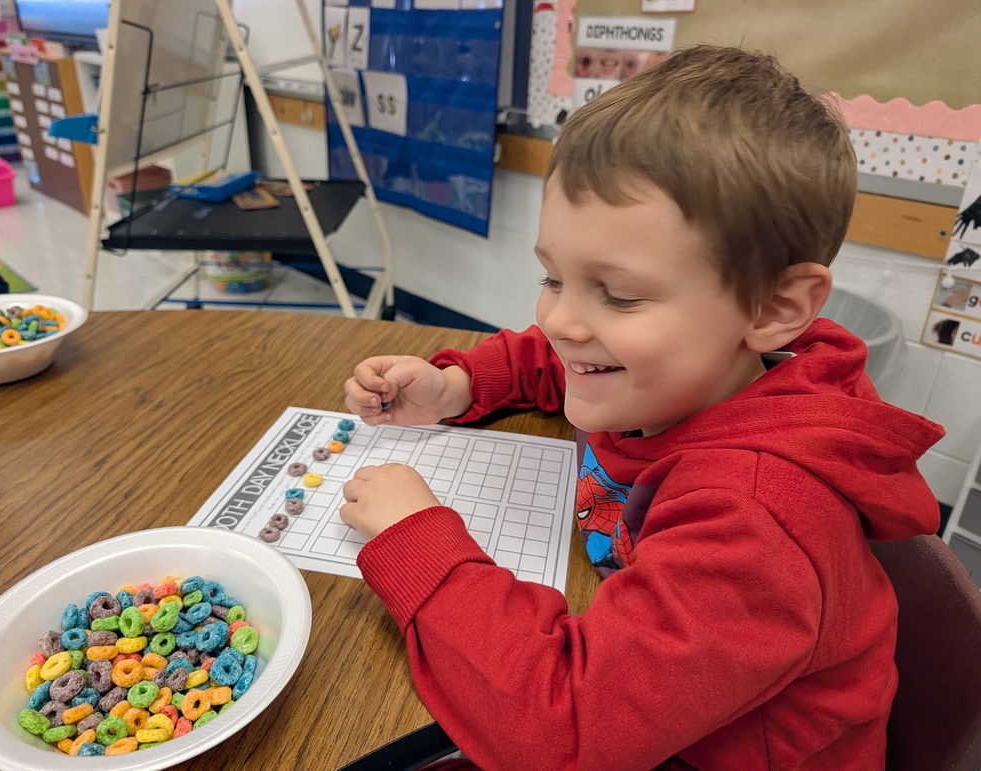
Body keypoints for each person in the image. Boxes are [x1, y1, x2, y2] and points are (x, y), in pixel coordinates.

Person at [340, 46, 944, 769]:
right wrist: (459, 385)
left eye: (619, 294)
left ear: (776, 307)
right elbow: (553, 354)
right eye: (553, 275)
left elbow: (560, 729)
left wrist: (415, 540)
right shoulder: (685, 369)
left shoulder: (758, 526)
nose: (562, 319)